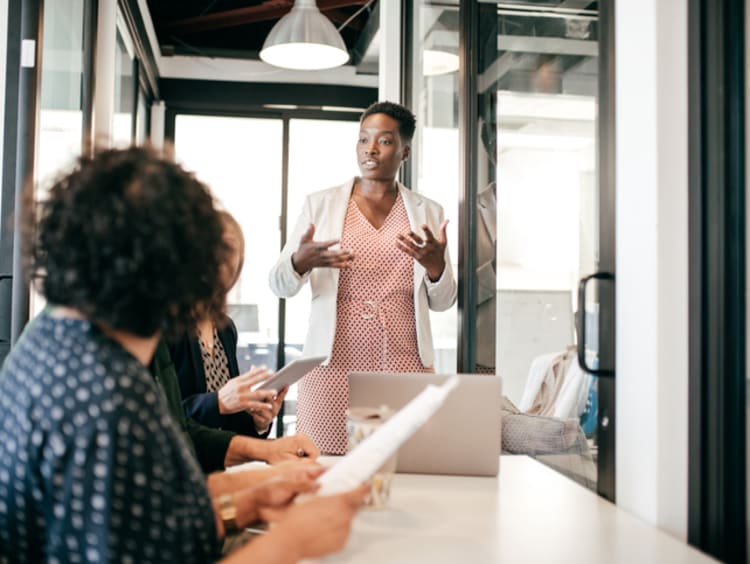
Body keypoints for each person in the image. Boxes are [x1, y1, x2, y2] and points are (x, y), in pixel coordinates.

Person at [0, 147, 367, 562]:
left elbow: (149, 522)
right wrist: (295, 540)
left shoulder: (51, 339)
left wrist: (253, 495)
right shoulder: (107, 397)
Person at [269, 101, 457, 454]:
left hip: (405, 361)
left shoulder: (428, 211)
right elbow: (279, 283)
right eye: (363, 139)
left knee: (403, 463)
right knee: (324, 463)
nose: (370, 149)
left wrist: (437, 267)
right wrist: (299, 261)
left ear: (405, 151)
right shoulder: (319, 205)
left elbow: (444, 301)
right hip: (332, 362)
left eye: (385, 141)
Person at [171, 211, 286, 439]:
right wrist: (219, 402)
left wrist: (258, 422)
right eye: (211, 246)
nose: (220, 257)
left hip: (221, 465)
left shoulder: (225, 329)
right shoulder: (167, 326)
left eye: (229, 248)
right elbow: (162, 417)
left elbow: (232, 426)